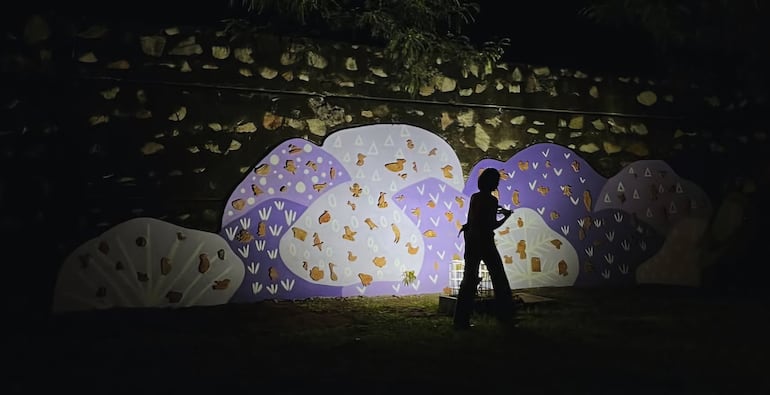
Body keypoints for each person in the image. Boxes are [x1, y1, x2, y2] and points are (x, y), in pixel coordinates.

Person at [453, 167, 515, 330]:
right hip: (486, 243)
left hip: (472, 242)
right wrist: (506, 217)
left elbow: (474, 220)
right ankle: (505, 316)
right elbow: (492, 225)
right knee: (499, 279)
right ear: (493, 183)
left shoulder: (475, 197)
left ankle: (461, 320)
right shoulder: (491, 201)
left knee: (468, 280)